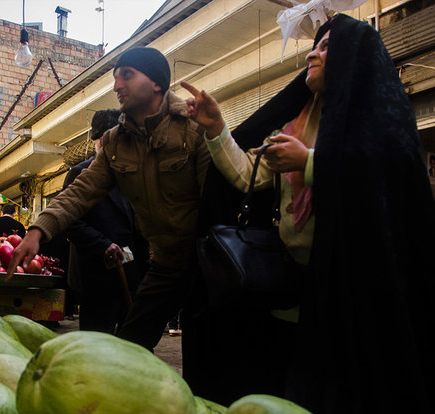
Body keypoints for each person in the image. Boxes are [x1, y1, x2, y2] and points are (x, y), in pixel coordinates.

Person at [183, 14, 435, 413]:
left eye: (326, 47)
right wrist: (217, 130)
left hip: (351, 296)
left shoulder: (377, 115)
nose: (311, 56)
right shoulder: (298, 118)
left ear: (354, 56)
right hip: (292, 291)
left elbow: (388, 174)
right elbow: (254, 175)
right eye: (313, 46)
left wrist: (311, 162)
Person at [7, 47, 211, 352]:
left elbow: (221, 196)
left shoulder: (194, 128)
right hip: (166, 265)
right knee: (130, 347)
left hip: (208, 263)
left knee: (206, 357)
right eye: (115, 77)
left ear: (156, 82)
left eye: (126, 75)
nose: (117, 85)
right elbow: (80, 191)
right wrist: (38, 230)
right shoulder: (117, 142)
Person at [63, 109, 147, 334]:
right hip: (95, 274)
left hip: (129, 270)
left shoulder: (128, 172)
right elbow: (71, 221)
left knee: (132, 338)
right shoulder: (80, 173)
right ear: (101, 140)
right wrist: (103, 244)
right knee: (98, 339)